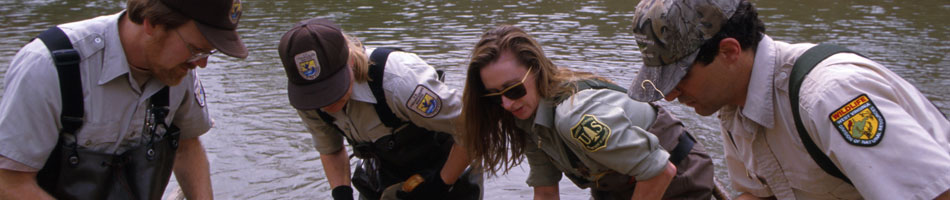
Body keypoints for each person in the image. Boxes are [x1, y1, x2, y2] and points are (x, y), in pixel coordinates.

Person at [626, 0, 950, 199]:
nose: (669, 95)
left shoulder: (830, 96)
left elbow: (935, 193)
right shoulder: (732, 105)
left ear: (728, 52)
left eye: (679, 77)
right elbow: (761, 194)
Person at [0, 0, 248, 199]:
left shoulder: (178, 68)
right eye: (196, 49)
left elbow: (187, 146)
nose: (201, 64)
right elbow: (8, 182)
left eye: (208, 53)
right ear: (152, 24)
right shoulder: (48, 67)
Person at [461, 25, 715, 200]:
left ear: (536, 70)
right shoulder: (527, 118)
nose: (506, 104)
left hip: (679, 179)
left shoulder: (575, 117)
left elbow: (660, 171)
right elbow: (546, 192)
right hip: (623, 185)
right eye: (494, 98)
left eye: (513, 90)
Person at [276, 18, 482, 200]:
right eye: (316, 94)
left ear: (350, 60)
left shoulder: (401, 82)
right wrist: (342, 195)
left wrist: (440, 184)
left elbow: (473, 128)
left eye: (332, 89)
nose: (326, 103)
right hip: (385, 173)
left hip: (449, 166)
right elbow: (330, 149)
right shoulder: (307, 97)